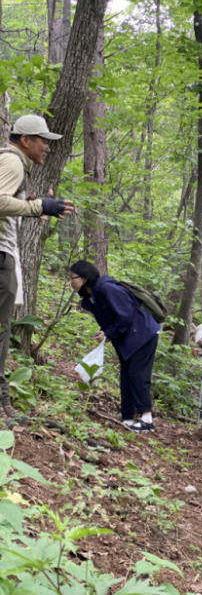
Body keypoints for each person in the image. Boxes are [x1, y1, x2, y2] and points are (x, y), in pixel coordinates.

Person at [0, 115, 74, 416]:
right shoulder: (13, 162)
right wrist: (37, 206)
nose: (48, 147)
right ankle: (2, 404)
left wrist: (28, 206)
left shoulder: (9, 162)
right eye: (43, 140)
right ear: (25, 140)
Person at [69, 260, 160, 433]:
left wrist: (109, 333)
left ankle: (147, 419)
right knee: (126, 375)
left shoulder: (107, 288)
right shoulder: (91, 296)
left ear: (85, 278)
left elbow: (126, 315)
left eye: (73, 278)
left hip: (142, 334)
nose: (70, 282)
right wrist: (106, 332)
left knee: (137, 374)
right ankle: (127, 416)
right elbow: (113, 317)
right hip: (128, 338)